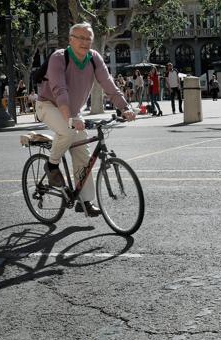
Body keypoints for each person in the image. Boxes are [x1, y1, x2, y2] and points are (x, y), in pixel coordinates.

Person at [36, 22, 135, 216]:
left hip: (73, 112)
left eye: (88, 38)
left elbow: (108, 84)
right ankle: (52, 165)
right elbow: (59, 90)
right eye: (80, 38)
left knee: (83, 155)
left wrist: (125, 108)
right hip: (49, 105)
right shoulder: (59, 57)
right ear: (70, 40)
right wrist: (70, 117)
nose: (84, 42)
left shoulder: (94, 58)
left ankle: (85, 201)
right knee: (66, 131)